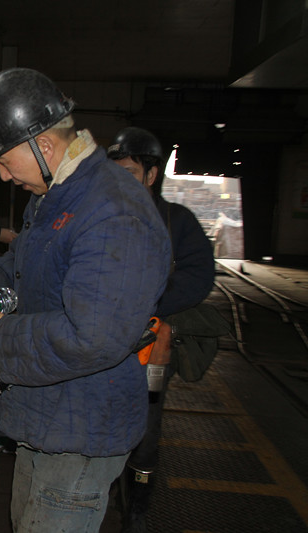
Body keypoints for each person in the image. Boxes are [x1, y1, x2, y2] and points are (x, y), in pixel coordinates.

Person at [0, 68, 172, 532]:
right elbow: (19, 267)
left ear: (43, 146)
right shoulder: (56, 193)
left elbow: (93, 336)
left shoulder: (114, 210)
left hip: (82, 427)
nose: (3, 175)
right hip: (46, 417)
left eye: (5, 161)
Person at [107, 126, 215, 533]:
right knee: (100, 419)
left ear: (151, 175)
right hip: (101, 343)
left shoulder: (177, 221)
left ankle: (137, 507)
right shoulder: (101, 217)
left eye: (130, 173)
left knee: (146, 432)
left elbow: (199, 275)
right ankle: (103, 489)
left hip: (150, 348)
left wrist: (148, 306)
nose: (120, 182)